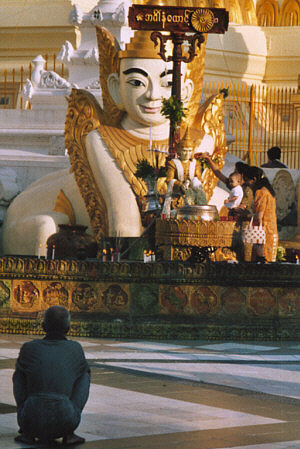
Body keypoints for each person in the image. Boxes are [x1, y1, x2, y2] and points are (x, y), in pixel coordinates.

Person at [13, 305, 90, 445]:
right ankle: (69, 433)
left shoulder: (29, 348)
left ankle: (27, 433)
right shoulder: (75, 348)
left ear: (43, 326)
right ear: (67, 329)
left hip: (29, 421)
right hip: (66, 422)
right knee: (84, 373)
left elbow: (20, 382)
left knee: (19, 373)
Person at [161, 128, 207, 216]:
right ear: (179, 151)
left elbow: (199, 178)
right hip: (177, 193)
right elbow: (169, 179)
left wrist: (194, 183)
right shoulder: (173, 163)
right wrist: (180, 185)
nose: (187, 154)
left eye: (189, 151)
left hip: (192, 192)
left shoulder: (195, 163)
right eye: (184, 151)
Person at [199, 154, 253, 219]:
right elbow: (218, 174)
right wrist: (208, 159)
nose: (233, 173)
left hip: (240, 220)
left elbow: (242, 207)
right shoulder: (234, 185)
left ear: (241, 175)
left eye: (235, 171)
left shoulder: (247, 190)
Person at [243, 166, 278, 262]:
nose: (246, 184)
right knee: (270, 266)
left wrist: (245, 215)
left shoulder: (260, 192)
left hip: (262, 236)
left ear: (254, 179)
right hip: (272, 232)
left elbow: (259, 217)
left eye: (247, 180)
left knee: (260, 268)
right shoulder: (269, 191)